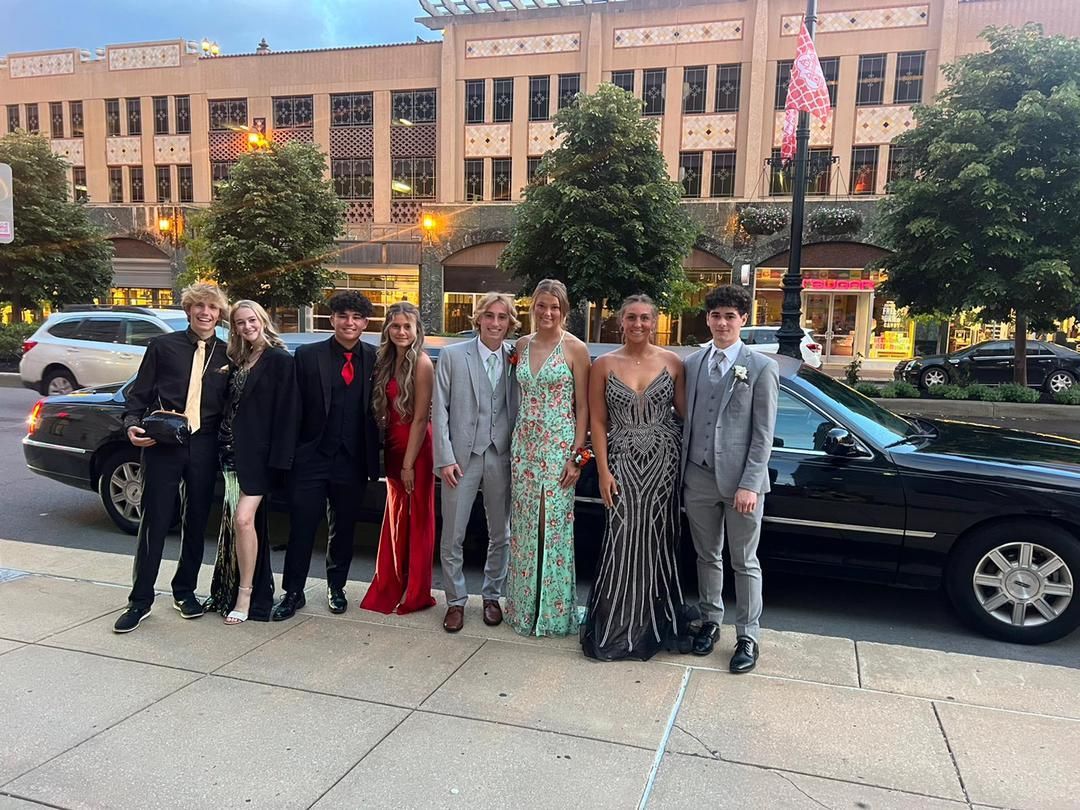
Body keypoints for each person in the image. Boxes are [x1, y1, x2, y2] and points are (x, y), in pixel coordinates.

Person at [113, 282, 231, 633]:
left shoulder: (227, 354)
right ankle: (140, 600)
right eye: (199, 307)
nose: (205, 313)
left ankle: (185, 592)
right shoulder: (162, 347)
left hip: (205, 444)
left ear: (219, 313)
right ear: (188, 311)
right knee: (155, 521)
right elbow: (139, 395)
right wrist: (131, 425)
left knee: (196, 521)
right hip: (163, 443)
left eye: (212, 307)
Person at [581, 295, 691, 661]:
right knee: (622, 538)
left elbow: (686, 413)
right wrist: (602, 470)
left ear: (655, 321)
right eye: (632, 318)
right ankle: (618, 625)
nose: (639, 324)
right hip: (622, 461)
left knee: (660, 539)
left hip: (664, 462)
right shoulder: (604, 364)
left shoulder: (673, 362)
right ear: (621, 322)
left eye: (645, 318)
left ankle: (654, 627)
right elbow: (598, 421)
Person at [682, 284, 778, 673]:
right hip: (698, 477)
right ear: (707, 319)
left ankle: (748, 635)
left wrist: (750, 484)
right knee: (707, 555)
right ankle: (710, 621)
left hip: (742, 483)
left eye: (730, 316)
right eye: (716, 315)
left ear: (743, 320)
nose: (722, 323)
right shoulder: (692, 363)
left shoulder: (760, 367)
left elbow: (763, 432)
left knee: (744, 560)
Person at [272, 291, 380, 621]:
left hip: (353, 459)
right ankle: (293, 592)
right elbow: (291, 408)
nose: (350, 322)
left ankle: (337, 587)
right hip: (311, 457)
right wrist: (287, 457)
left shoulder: (375, 358)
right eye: (343, 316)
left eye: (357, 317)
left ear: (365, 323)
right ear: (332, 319)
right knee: (302, 527)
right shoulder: (307, 355)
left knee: (344, 528)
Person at [204, 300, 298, 624]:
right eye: (240, 323)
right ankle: (226, 589)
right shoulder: (239, 358)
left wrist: (280, 462)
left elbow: (289, 414)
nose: (247, 327)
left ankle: (246, 594)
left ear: (262, 319)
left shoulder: (280, 359)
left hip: (259, 457)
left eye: (251, 320)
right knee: (233, 525)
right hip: (229, 452)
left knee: (244, 520)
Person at [506, 279, 591, 637]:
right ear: (533, 307)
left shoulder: (575, 348)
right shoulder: (522, 345)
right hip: (523, 449)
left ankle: (554, 612)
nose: (547, 313)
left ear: (564, 310)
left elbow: (584, 406)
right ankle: (523, 608)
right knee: (524, 528)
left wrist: (577, 457)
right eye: (541, 306)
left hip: (559, 452)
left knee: (552, 528)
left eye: (555, 307)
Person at [432, 292, 520, 632]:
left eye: (502, 317)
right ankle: (454, 601)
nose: (495, 323)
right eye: (489, 316)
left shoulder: (518, 356)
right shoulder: (453, 356)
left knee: (502, 533)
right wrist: (445, 457)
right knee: (453, 533)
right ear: (478, 319)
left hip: (502, 455)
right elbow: (439, 410)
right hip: (461, 458)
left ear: (510, 322)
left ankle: (492, 596)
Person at [360, 302, 437, 614]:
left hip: (416, 451)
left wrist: (408, 464)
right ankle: (393, 580)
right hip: (393, 447)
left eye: (408, 326)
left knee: (418, 519)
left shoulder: (421, 363)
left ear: (417, 330)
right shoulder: (386, 360)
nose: (402, 332)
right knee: (394, 517)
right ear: (387, 329)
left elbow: (420, 419)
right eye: (396, 326)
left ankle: (417, 592)